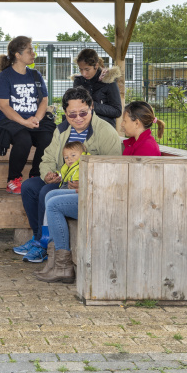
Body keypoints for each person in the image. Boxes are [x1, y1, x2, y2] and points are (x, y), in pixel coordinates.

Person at [36, 100, 160, 284]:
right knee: (51, 195)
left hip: (119, 202)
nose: (122, 124)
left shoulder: (146, 147)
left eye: (125, 120)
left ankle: (63, 266)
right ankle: (56, 262)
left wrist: (91, 189)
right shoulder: (135, 143)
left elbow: (135, 185)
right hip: (111, 195)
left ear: (137, 122)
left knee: (54, 204)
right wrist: (87, 186)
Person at [16, 86, 121, 264]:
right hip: (62, 179)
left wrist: (87, 183)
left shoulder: (105, 131)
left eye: (83, 113)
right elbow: (47, 157)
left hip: (88, 187)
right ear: (65, 112)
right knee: (28, 187)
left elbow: (114, 169)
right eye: (72, 114)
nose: (78, 118)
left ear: (92, 107)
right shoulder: (61, 129)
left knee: (46, 191)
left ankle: (45, 245)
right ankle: (38, 237)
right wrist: (47, 174)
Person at [0, 36, 55, 194]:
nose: (33, 53)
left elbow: (44, 100)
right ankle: (13, 179)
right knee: (23, 139)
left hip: (34, 120)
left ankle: (35, 176)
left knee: (48, 137)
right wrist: (24, 122)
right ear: (18, 55)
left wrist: (37, 119)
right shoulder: (4, 77)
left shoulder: (35, 75)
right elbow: (3, 106)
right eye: (29, 50)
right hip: (12, 122)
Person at [72, 48, 123, 128]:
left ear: (96, 65)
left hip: (104, 127)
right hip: (82, 125)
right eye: (81, 69)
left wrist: (93, 105)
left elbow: (117, 111)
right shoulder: (78, 81)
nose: (84, 73)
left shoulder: (109, 81)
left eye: (87, 69)